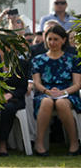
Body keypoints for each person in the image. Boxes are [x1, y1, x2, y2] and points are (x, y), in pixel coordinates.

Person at [31, 24, 81, 155]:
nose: (52, 42)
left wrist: (63, 93)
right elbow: (37, 82)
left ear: (64, 40)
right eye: (50, 39)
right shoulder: (38, 60)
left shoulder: (73, 59)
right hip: (45, 92)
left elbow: (77, 84)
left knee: (61, 103)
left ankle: (74, 142)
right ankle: (39, 143)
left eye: (56, 39)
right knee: (46, 101)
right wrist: (48, 92)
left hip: (68, 93)